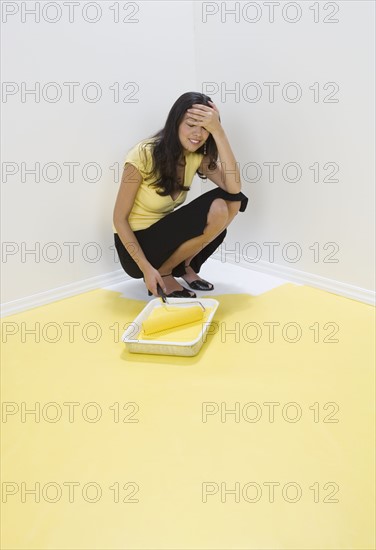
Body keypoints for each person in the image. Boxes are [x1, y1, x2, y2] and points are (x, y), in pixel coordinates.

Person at [113, 91, 249, 298]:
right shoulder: (143, 154)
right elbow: (119, 219)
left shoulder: (196, 156)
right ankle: (164, 272)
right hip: (136, 247)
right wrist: (146, 268)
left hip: (165, 237)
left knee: (233, 202)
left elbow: (234, 189)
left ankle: (182, 267)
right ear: (175, 123)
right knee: (218, 207)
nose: (197, 134)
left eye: (205, 128)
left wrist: (219, 132)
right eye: (190, 124)